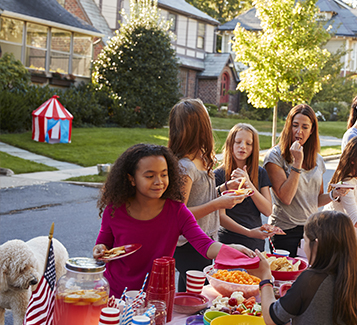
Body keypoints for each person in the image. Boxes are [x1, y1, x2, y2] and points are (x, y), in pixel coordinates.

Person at [93, 144, 254, 297]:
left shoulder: (177, 211)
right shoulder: (114, 209)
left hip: (158, 295)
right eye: (150, 176)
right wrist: (100, 249)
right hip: (115, 292)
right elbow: (103, 243)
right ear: (132, 179)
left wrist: (232, 249)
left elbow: (204, 245)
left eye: (164, 174)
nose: (159, 181)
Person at [168, 98, 262, 292]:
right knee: (197, 295)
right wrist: (218, 203)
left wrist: (223, 188)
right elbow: (178, 215)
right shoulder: (185, 167)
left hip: (207, 240)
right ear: (199, 127)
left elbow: (201, 195)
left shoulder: (201, 157)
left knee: (197, 294)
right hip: (190, 245)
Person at [252, 211, 357, 325]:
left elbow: (271, 318)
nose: (304, 247)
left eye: (305, 240)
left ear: (317, 244)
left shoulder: (311, 279)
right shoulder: (354, 274)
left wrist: (266, 278)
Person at [263, 104, 346, 257]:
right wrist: (297, 163)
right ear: (288, 126)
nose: (298, 131)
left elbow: (316, 200)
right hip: (284, 231)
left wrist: (334, 194)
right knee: (286, 276)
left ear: (312, 130)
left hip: (311, 229)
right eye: (295, 125)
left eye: (305, 127)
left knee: (309, 277)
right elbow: (286, 197)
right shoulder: (274, 157)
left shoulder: (318, 160)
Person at [214, 123, 274, 251]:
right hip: (229, 241)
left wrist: (249, 183)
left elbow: (268, 210)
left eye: (248, 143)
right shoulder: (219, 175)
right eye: (238, 142)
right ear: (231, 144)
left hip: (255, 243)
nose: (243, 147)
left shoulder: (261, 173)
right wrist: (248, 232)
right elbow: (221, 217)